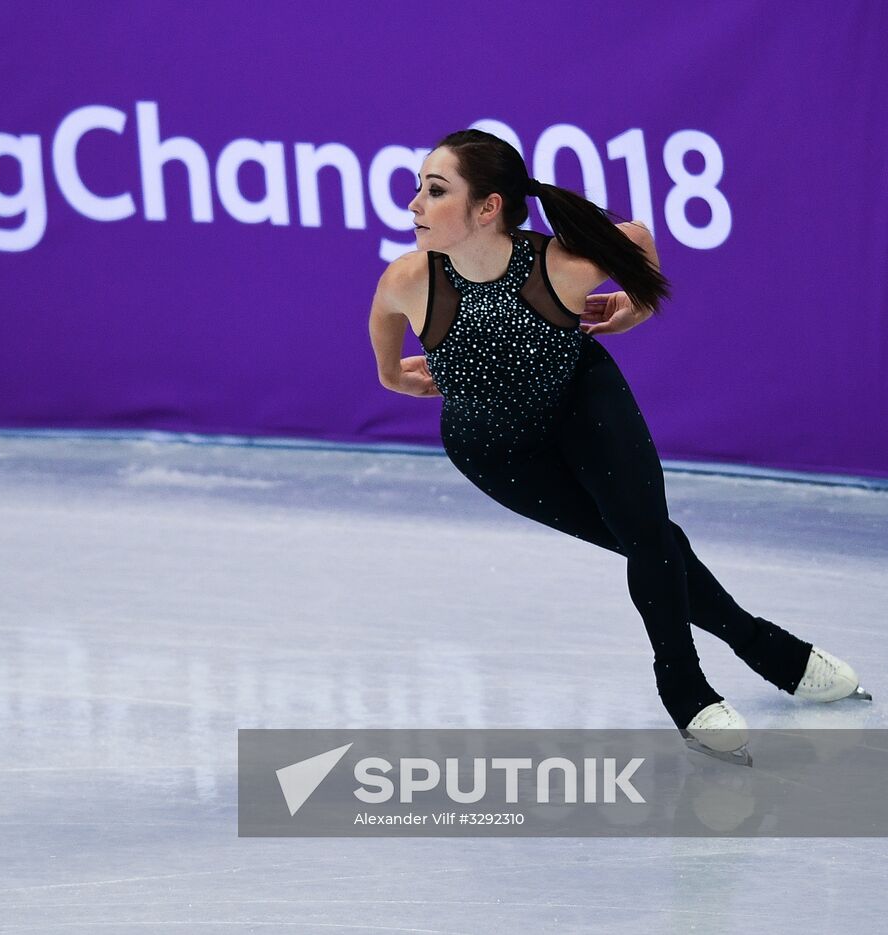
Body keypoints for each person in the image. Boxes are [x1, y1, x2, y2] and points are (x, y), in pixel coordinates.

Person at [367, 128, 870, 765]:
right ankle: (763, 645)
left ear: (488, 207)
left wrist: (636, 306)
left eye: (435, 191)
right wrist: (390, 374)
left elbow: (635, 238)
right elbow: (383, 315)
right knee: (651, 540)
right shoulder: (413, 280)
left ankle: (684, 689)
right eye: (419, 189)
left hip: (584, 403)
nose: (414, 204)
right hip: (494, 452)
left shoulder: (561, 265)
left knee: (649, 538)